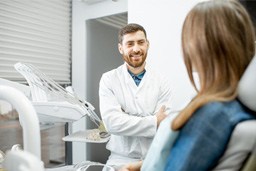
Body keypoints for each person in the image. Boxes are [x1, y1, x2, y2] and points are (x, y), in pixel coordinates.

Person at [119, 0, 256, 170]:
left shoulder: (212, 115)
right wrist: (143, 165)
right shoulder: (232, 107)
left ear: (200, 46)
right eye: (130, 44)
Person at [99, 23, 173, 169]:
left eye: (140, 42)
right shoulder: (109, 79)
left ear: (147, 44)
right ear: (121, 48)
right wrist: (153, 120)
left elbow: (164, 123)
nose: (136, 49)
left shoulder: (162, 81)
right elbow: (112, 123)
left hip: (153, 157)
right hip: (120, 159)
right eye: (130, 44)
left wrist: (127, 118)